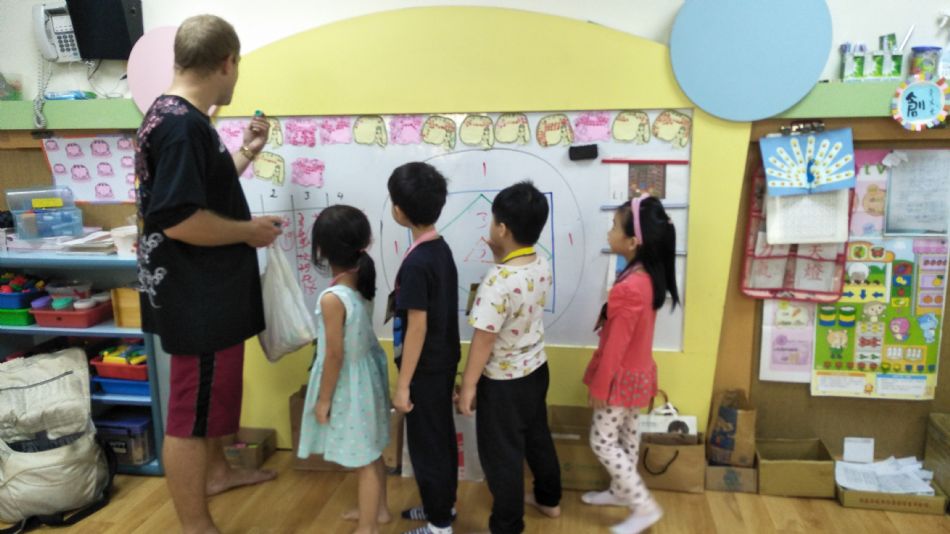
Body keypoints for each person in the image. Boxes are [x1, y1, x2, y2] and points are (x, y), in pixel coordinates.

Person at [134, 14, 281, 534]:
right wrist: (248, 232)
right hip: (196, 297)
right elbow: (179, 220)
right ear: (226, 62)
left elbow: (203, 188)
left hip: (205, 291)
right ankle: (196, 524)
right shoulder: (180, 127)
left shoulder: (179, 115)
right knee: (190, 415)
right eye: (237, 66)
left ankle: (217, 474)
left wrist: (247, 151)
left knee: (211, 398)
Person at [458, 182, 562, 534]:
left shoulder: (497, 281)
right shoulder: (541, 262)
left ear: (502, 229)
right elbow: (518, 292)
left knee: (502, 455)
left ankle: (507, 525)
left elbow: (484, 338)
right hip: (537, 369)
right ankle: (549, 500)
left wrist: (468, 385)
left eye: (493, 222)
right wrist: (500, 259)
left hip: (503, 384)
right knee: (537, 436)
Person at [581, 194, 680, 534]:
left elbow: (615, 345)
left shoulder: (630, 287)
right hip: (638, 374)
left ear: (633, 241)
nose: (609, 232)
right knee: (627, 435)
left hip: (620, 378)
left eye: (614, 227)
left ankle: (644, 505)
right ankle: (621, 491)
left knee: (602, 441)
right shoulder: (645, 275)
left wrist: (600, 385)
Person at [298, 205, 391, 534]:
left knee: (363, 459)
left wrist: (323, 400)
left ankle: (368, 527)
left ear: (322, 250)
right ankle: (379, 511)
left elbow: (334, 356)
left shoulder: (332, 298)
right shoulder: (361, 282)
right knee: (371, 450)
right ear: (365, 242)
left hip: (349, 386)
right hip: (365, 380)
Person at [387, 162, 460, 534]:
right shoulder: (438, 249)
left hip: (424, 369)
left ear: (399, 211)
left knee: (428, 444)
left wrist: (403, 385)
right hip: (440, 362)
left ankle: (439, 524)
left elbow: (418, 326)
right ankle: (442, 506)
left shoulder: (418, 262)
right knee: (440, 436)